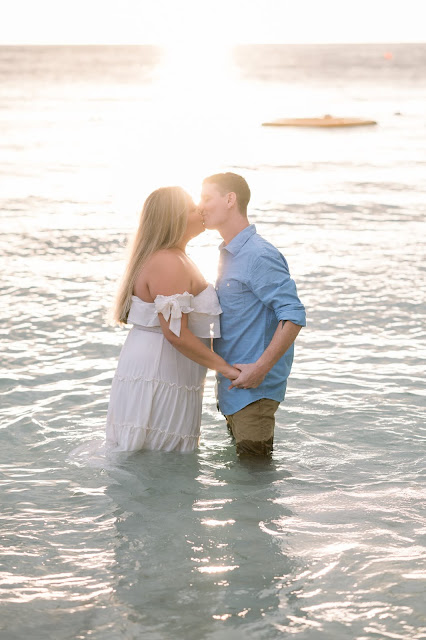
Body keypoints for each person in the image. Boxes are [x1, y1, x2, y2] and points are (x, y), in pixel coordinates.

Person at [106, 186, 240, 452]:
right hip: (160, 365)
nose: (200, 210)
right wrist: (227, 370)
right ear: (174, 219)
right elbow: (175, 333)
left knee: (152, 454)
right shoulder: (168, 261)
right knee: (157, 452)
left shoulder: (175, 257)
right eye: (192, 208)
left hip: (162, 361)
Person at [200, 173, 306, 457]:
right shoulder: (229, 253)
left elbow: (293, 315)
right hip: (235, 391)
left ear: (230, 199)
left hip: (254, 394)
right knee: (246, 487)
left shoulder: (258, 254)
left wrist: (260, 369)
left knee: (255, 486)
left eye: (207, 198)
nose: (201, 207)